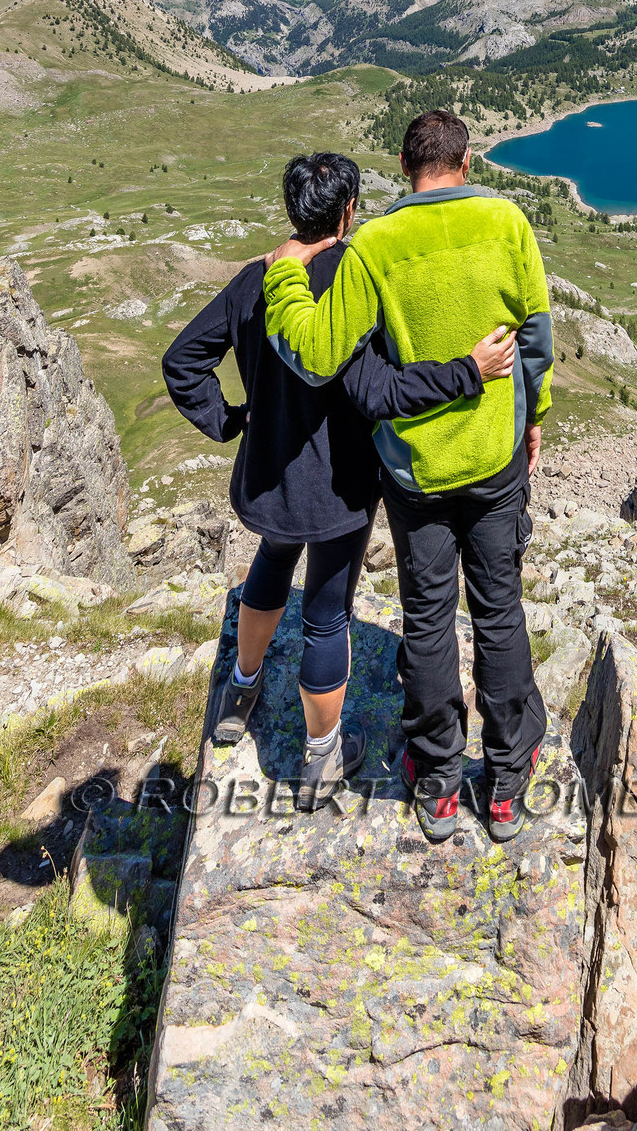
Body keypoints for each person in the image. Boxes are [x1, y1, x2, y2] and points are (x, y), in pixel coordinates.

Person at [162, 148, 516, 807]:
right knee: (326, 615)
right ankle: (320, 760)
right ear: (349, 210)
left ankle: (241, 689)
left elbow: (182, 361)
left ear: (291, 208)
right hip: (339, 486)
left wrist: (231, 420)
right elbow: (382, 391)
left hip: (270, 478)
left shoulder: (255, 279)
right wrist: (468, 373)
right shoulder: (355, 285)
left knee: (271, 562)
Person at [263, 109, 552, 844]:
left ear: (403, 165)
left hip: (414, 471)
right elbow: (537, 338)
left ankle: (439, 784)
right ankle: (507, 786)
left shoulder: (374, 244)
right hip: (494, 458)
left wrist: (284, 276)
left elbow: (318, 353)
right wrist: (534, 414)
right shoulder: (507, 222)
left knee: (427, 618)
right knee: (499, 611)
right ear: (467, 159)